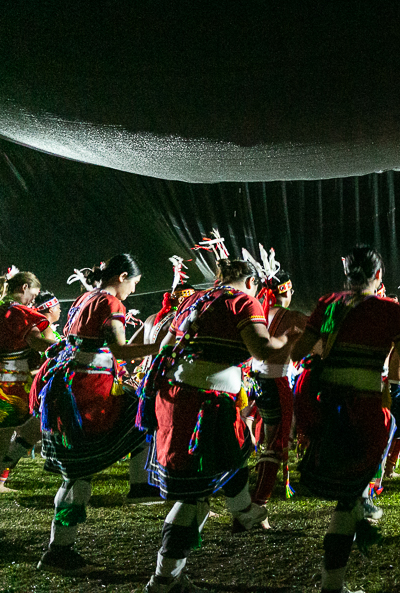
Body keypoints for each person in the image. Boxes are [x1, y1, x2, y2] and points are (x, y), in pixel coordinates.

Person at [138, 256, 293, 593]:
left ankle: (242, 514)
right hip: (204, 403)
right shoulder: (243, 301)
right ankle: (164, 579)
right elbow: (263, 350)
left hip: (177, 397)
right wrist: (291, 337)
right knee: (194, 494)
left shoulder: (195, 298)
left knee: (227, 464)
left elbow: (166, 346)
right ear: (251, 282)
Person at [290, 245, 400, 593]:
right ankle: (333, 585)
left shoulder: (329, 304)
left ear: (348, 276)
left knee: (347, 497)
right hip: (363, 413)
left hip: (327, 408)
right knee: (348, 499)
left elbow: (298, 352)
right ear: (379, 278)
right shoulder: (389, 310)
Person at [33, 254, 161, 573]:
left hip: (69, 389)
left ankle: (58, 549)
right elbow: (119, 349)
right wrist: (163, 347)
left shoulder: (85, 297)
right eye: (134, 282)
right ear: (121, 277)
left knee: (78, 476)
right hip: (86, 395)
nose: (132, 289)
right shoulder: (111, 304)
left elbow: (93, 348)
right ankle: (141, 487)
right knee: (145, 417)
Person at [0, 269, 57, 543]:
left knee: (33, 429)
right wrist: (65, 346)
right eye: (32, 294)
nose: (33, 300)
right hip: (4, 389)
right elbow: (39, 342)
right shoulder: (18, 313)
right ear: (24, 287)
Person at [250, 264, 304, 512]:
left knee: (269, 440)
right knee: (275, 443)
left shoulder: (259, 312)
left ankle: (256, 495)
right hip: (276, 382)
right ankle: (258, 504)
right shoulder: (291, 317)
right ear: (288, 290)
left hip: (258, 382)